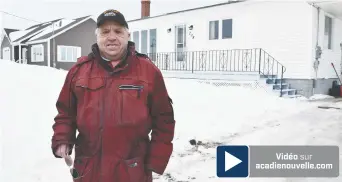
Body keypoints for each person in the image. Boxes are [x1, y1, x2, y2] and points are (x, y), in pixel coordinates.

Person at [51, 9, 175, 182]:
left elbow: (164, 119)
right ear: (97, 37)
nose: (111, 37)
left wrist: (156, 159)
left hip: (132, 171)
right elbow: (66, 113)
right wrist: (63, 139)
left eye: (118, 31)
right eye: (105, 32)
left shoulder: (148, 72)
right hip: (88, 170)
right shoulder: (78, 71)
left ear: (127, 35)